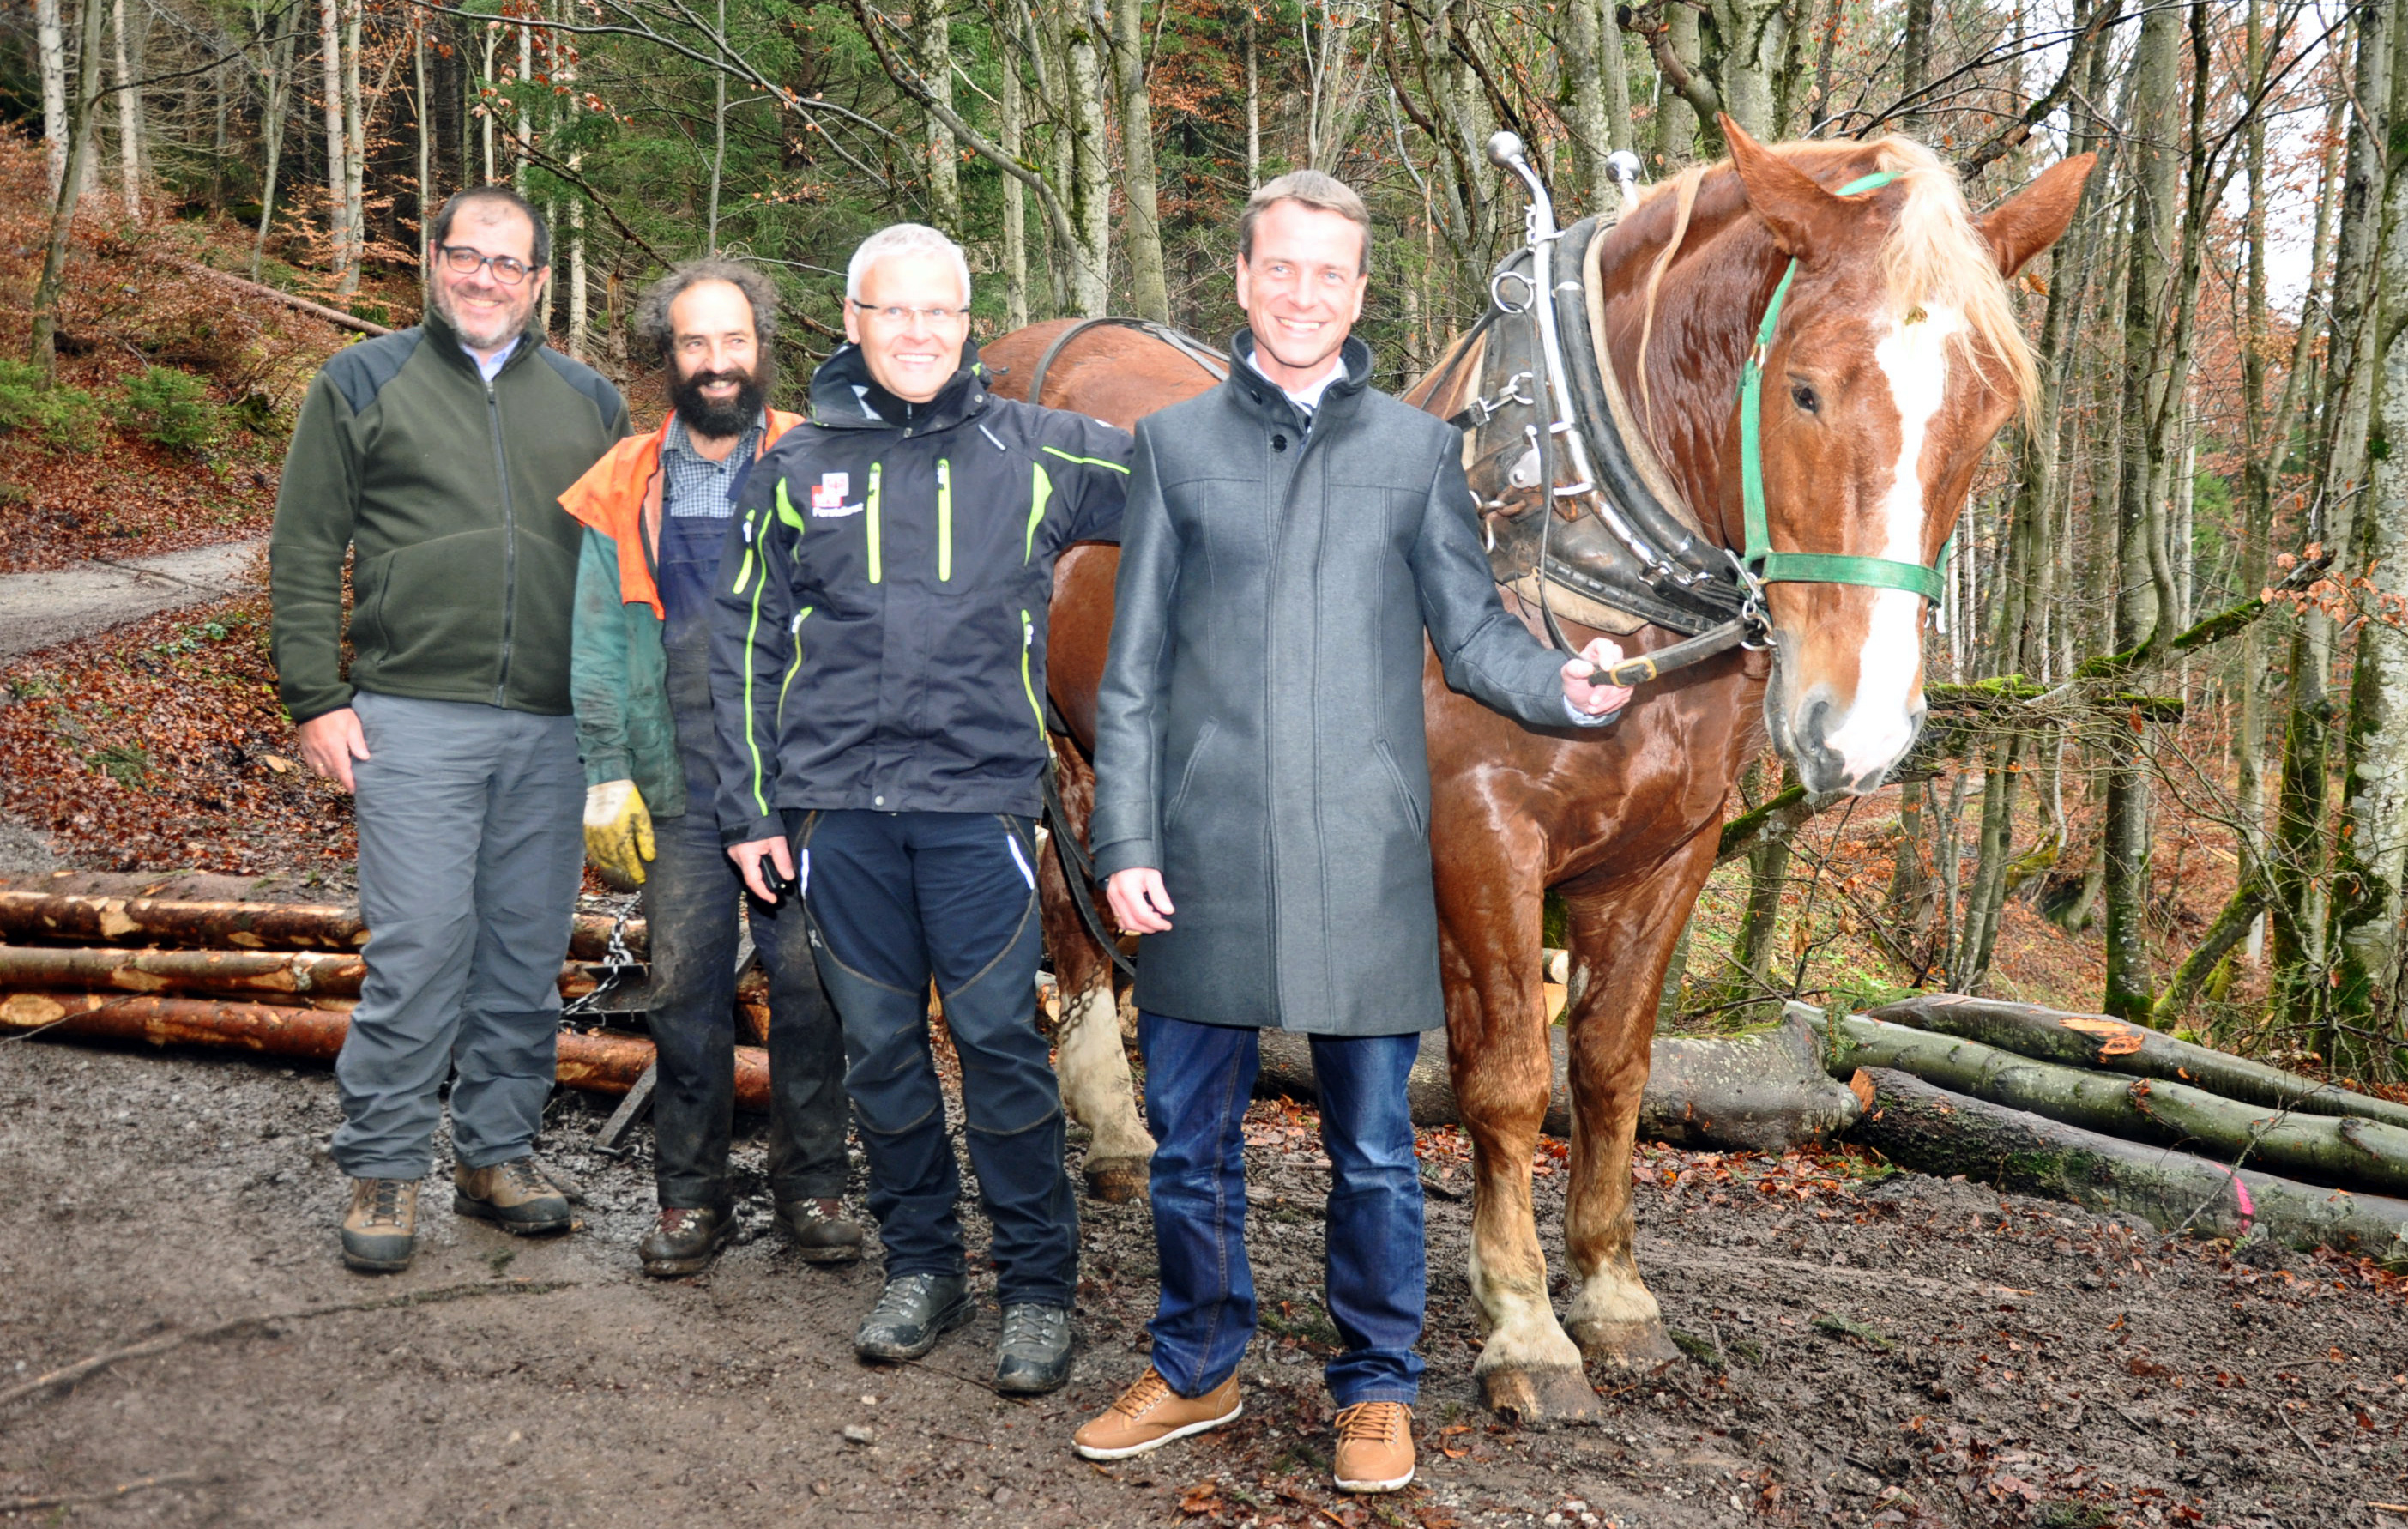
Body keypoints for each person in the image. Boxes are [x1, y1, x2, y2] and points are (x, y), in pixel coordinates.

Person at [1073, 172, 1635, 1493]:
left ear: (1359, 291)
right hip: (1202, 849)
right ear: (1241, 280)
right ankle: (1195, 1364)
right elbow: (1131, 672)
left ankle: (1376, 1385)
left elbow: (1475, 635)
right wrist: (1124, 841)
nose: (1302, 292)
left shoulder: (1414, 453)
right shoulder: (1171, 447)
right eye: (1280, 267)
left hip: (1364, 854)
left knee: (1374, 1151)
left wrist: (1566, 685)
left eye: (1328, 272)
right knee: (1188, 1144)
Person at [712, 224, 1133, 1393]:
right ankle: (922, 1266)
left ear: (966, 325)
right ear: (852, 322)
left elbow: (1195, 484)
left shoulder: (1034, 449)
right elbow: (741, 648)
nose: (914, 332)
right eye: (890, 310)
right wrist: (749, 808)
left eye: (936, 311)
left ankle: (1037, 1288)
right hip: (836, 815)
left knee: (998, 1045)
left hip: (975, 811)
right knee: (882, 1052)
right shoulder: (790, 469)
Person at [270, 186, 631, 1274]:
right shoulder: (360, 381)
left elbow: (624, 574)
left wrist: (619, 728)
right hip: (411, 717)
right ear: (432, 261)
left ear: (540, 281)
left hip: (553, 727)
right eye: (466, 255)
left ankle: (495, 1155)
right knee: (421, 947)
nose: (484, 277)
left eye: (508, 262)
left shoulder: (589, 402)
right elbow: (305, 545)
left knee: (523, 953)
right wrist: (315, 697)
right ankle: (385, 1167)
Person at [561, 259, 862, 1278]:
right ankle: (690, 1200)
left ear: (762, 347)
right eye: (696, 343)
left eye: (734, 340)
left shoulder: (819, 461)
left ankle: (813, 1185)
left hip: (799, 786)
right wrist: (606, 767)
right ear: (668, 356)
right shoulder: (625, 480)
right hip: (679, 781)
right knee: (684, 994)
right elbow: (598, 637)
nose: (717, 361)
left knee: (811, 991)